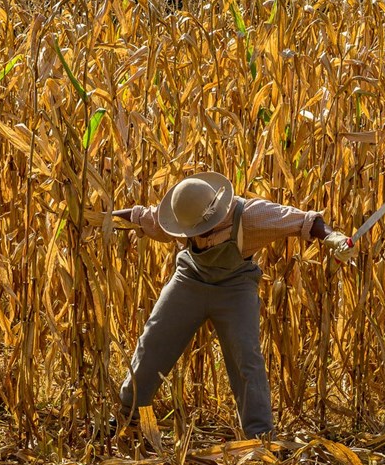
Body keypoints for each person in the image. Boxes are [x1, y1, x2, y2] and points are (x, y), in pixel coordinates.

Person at [111, 171, 356, 439]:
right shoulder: (182, 212)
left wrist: (334, 239)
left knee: (246, 357)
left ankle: (260, 436)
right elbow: (139, 216)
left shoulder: (251, 215)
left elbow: (305, 220)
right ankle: (128, 416)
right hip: (189, 281)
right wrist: (100, 219)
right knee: (154, 339)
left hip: (235, 288)